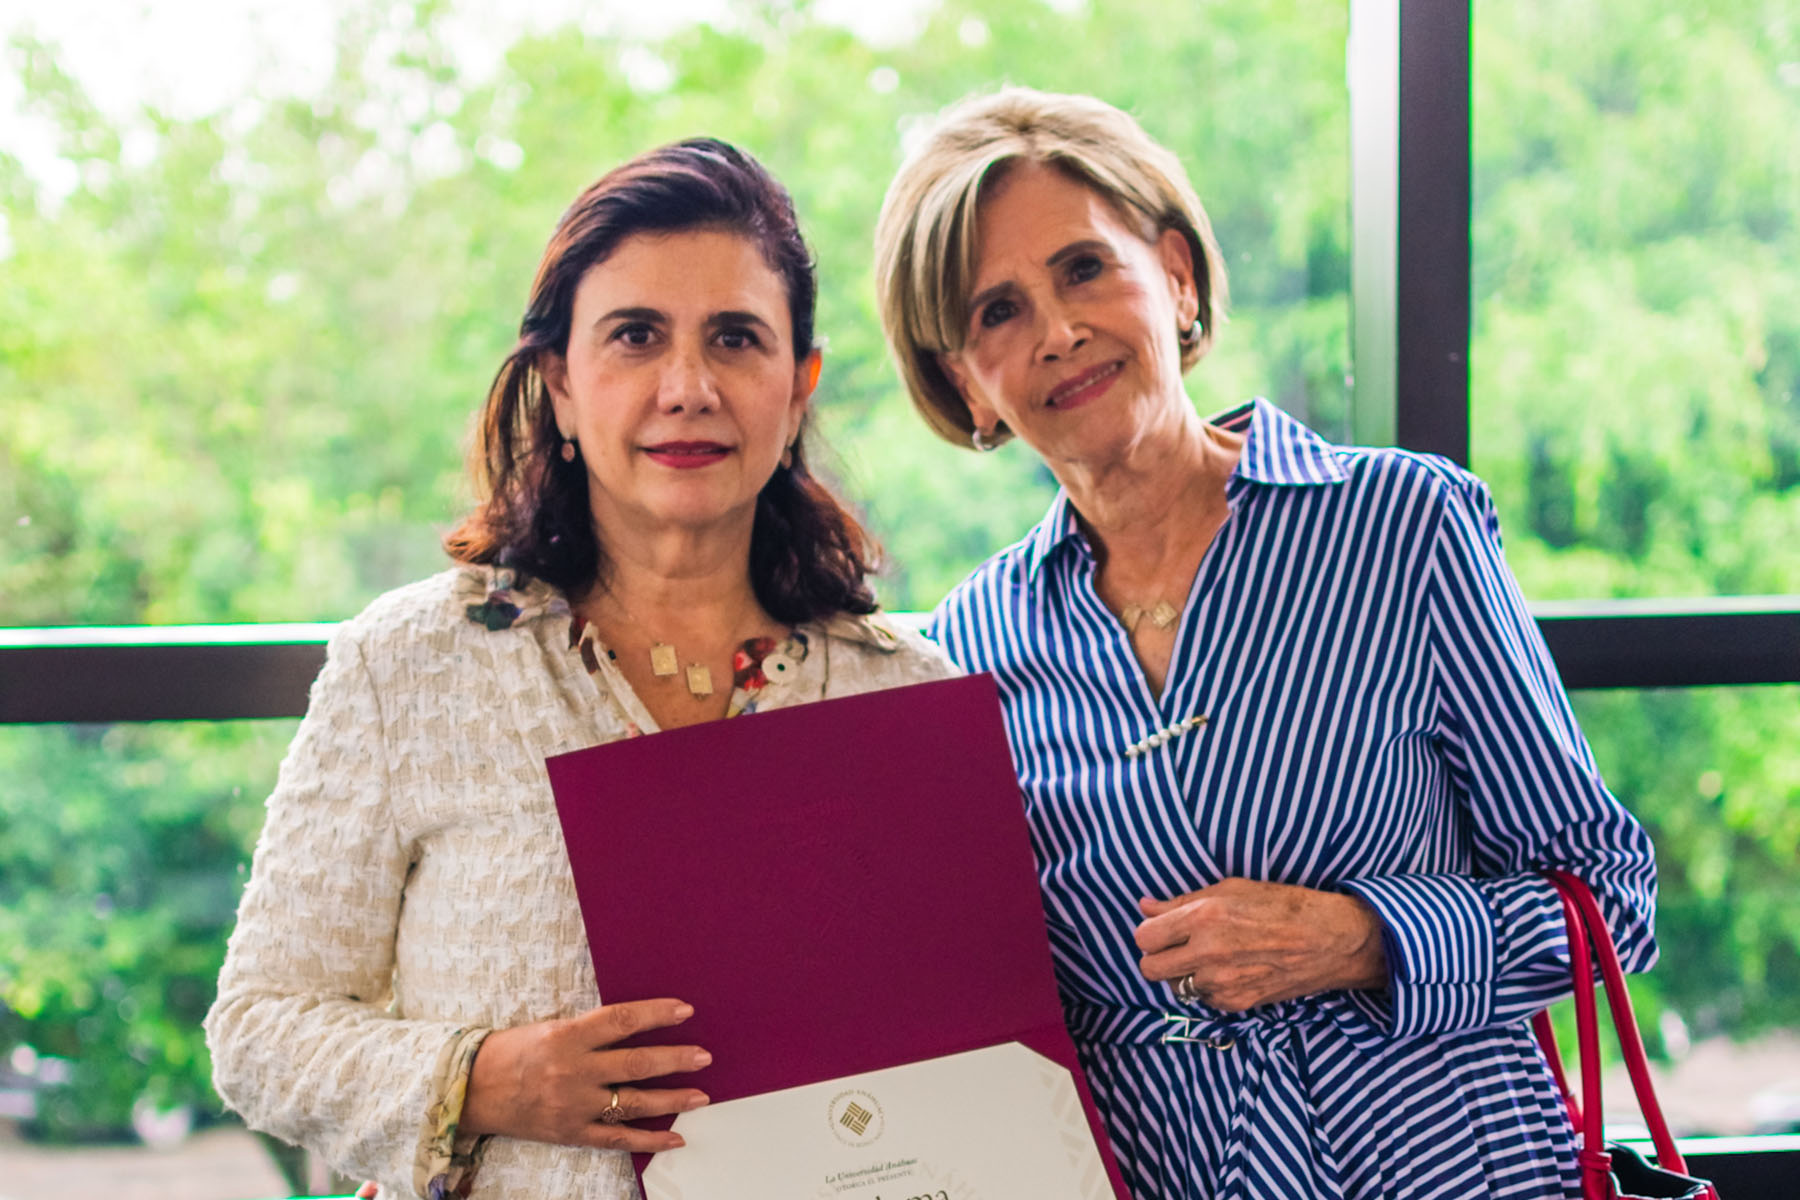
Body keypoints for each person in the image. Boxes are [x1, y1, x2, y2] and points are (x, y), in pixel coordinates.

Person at [874, 88, 1658, 1200]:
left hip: (1456, 1171)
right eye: (996, 312)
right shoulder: (966, 646)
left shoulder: (1403, 527)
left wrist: (1364, 937)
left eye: (1085, 269)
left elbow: (1608, 902)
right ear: (966, 382)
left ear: (1177, 276)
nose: (1056, 332)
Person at [205, 137, 953, 1200]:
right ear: (559, 381)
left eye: (737, 339)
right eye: (636, 336)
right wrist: (485, 1080)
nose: (688, 387)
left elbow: (960, 1058)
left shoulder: (901, 698)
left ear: (798, 389)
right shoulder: (410, 667)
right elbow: (258, 1030)